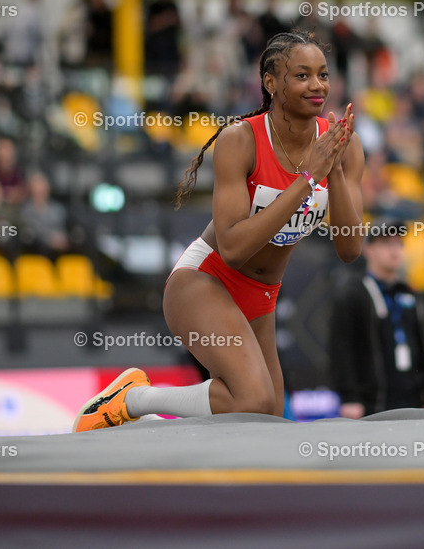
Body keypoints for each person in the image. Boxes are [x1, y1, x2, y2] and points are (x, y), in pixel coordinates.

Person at [73, 31, 364, 431]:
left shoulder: (342, 145)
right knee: (253, 398)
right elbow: (232, 249)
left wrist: (336, 171)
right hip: (205, 281)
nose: (317, 85)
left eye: (323, 75)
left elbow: (350, 249)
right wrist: (307, 178)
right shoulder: (240, 140)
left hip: (262, 297)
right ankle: (135, 399)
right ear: (271, 83)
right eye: (301, 75)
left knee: (267, 418)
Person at [328, 224, 424, 417]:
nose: (394, 250)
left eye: (398, 243)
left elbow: (422, 347)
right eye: (387, 244)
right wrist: (350, 398)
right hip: (373, 403)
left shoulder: (409, 293)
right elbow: (341, 348)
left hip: (412, 400)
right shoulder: (353, 294)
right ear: (369, 250)